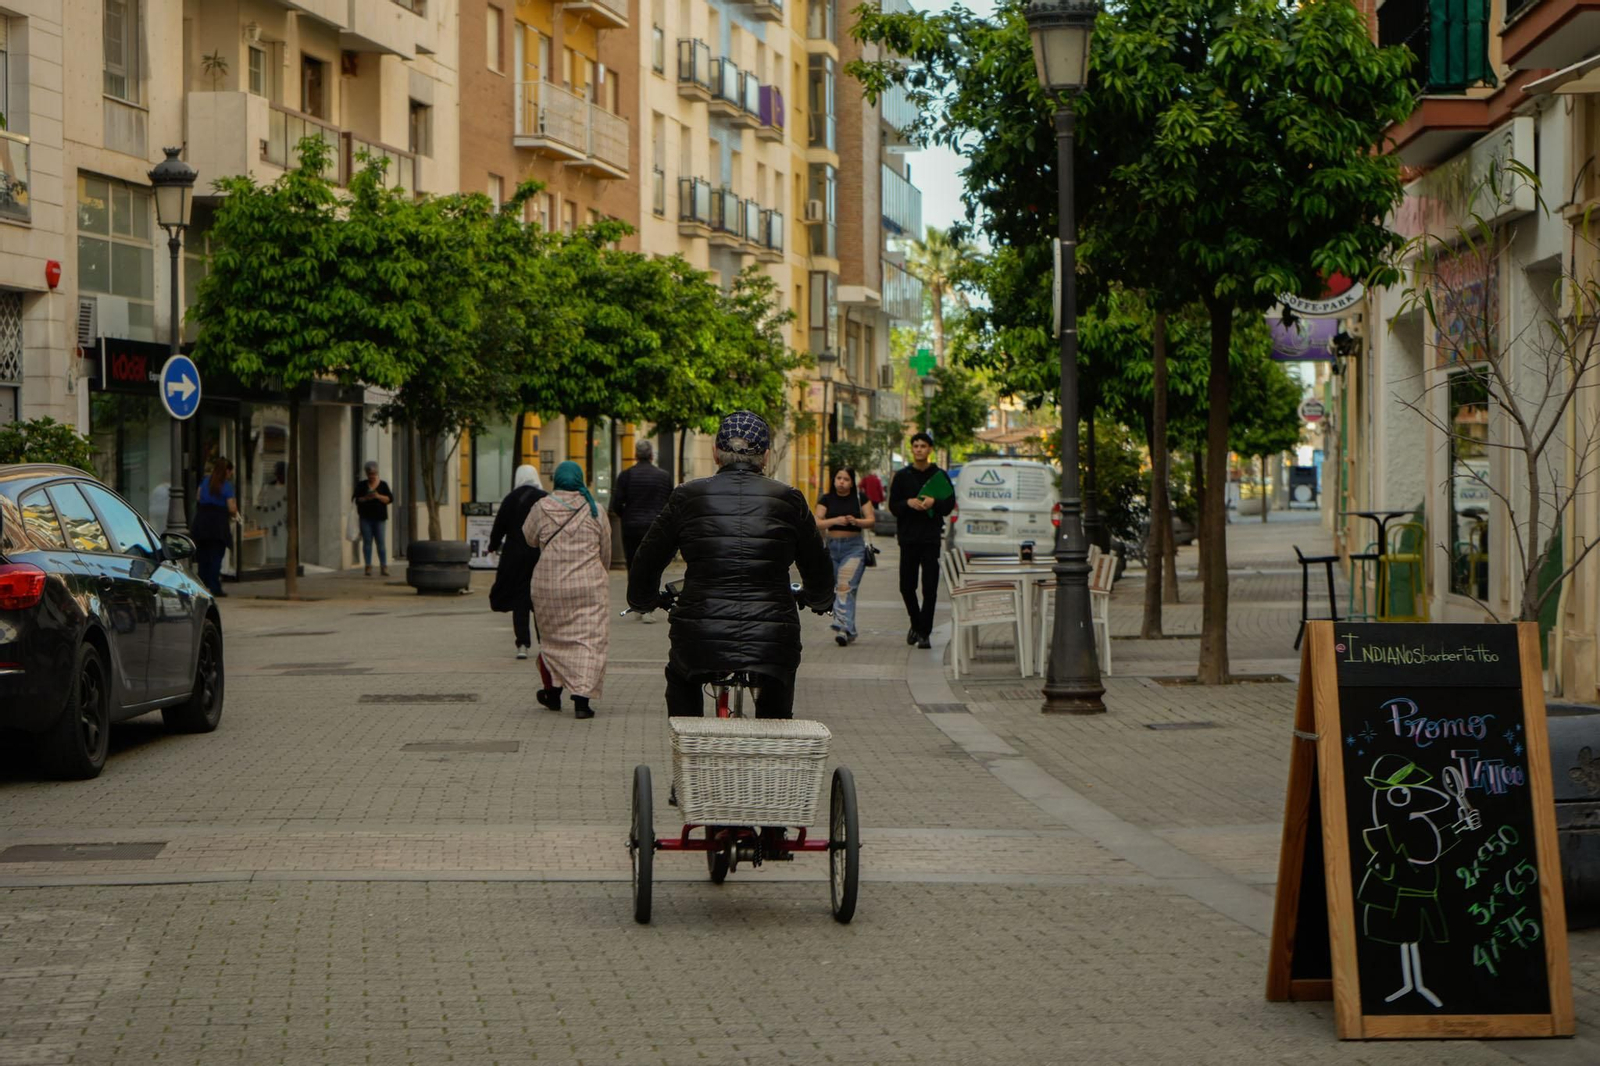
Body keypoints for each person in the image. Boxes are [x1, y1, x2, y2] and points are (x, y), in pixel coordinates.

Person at [627, 411, 833, 723]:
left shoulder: (687, 496)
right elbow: (817, 564)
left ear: (715, 452)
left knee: (682, 677)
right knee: (778, 682)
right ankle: (775, 743)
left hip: (700, 634)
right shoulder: (789, 500)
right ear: (765, 456)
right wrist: (818, 597)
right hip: (772, 637)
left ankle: (690, 742)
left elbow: (647, 558)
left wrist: (644, 599)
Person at [522, 461, 612, 720]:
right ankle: (581, 700)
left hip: (549, 587)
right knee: (589, 642)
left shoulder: (541, 507)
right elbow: (605, 550)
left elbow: (528, 537)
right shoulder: (595, 509)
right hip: (588, 587)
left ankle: (553, 693)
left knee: (553, 642)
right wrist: (599, 573)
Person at [889, 432, 956, 648]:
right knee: (906, 587)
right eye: (915, 445)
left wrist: (933, 502)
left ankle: (924, 633)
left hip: (930, 539)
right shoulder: (902, 476)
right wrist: (908, 503)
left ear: (930, 449)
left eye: (923, 446)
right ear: (912, 449)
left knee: (930, 588)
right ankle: (916, 624)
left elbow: (948, 506)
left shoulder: (940, 475)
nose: (919, 449)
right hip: (908, 539)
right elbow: (893, 506)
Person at [611, 438, 673, 623]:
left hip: (631, 528)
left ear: (636, 455)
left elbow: (615, 504)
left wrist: (627, 516)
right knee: (652, 566)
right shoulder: (663, 476)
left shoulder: (626, 476)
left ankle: (636, 604)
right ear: (652, 455)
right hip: (654, 528)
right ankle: (649, 607)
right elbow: (670, 504)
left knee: (633, 566)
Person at [489, 465, 547, 660]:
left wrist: (492, 545)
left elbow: (499, 526)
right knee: (540, 600)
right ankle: (544, 643)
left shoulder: (511, 498)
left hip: (515, 556)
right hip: (539, 555)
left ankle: (522, 644)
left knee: (520, 600)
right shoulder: (544, 498)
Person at [814, 467, 874, 647]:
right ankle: (849, 630)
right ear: (834, 480)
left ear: (851, 482)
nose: (841, 482)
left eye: (846, 479)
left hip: (853, 548)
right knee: (840, 588)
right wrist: (835, 521)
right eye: (839, 478)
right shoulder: (826, 498)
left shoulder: (859, 498)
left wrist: (857, 522)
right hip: (831, 548)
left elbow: (871, 520)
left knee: (844, 587)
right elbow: (817, 522)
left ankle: (841, 627)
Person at [191, 457, 236, 597]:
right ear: (227, 471)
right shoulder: (226, 486)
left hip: (202, 520)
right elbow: (231, 507)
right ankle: (215, 586)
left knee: (203, 555)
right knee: (216, 555)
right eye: (230, 472)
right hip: (218, 523)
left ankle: (202, 584)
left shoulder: (205, 481)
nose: (231, 475)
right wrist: (235, 513)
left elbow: (198, 497)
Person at [352, 461, 394, 577]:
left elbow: (390, 499)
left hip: (380, 518)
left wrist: (378, 496)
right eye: (370, 474)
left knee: (381, 543)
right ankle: (368, 566)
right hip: (365, 518)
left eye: (374, 474)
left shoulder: (383, 485)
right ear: (366, 473)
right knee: (367, 543)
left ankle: (383, 566)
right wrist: (366, 498)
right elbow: (356, 500)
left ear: (377, 473)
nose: (372, 476)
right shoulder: (361, 485)